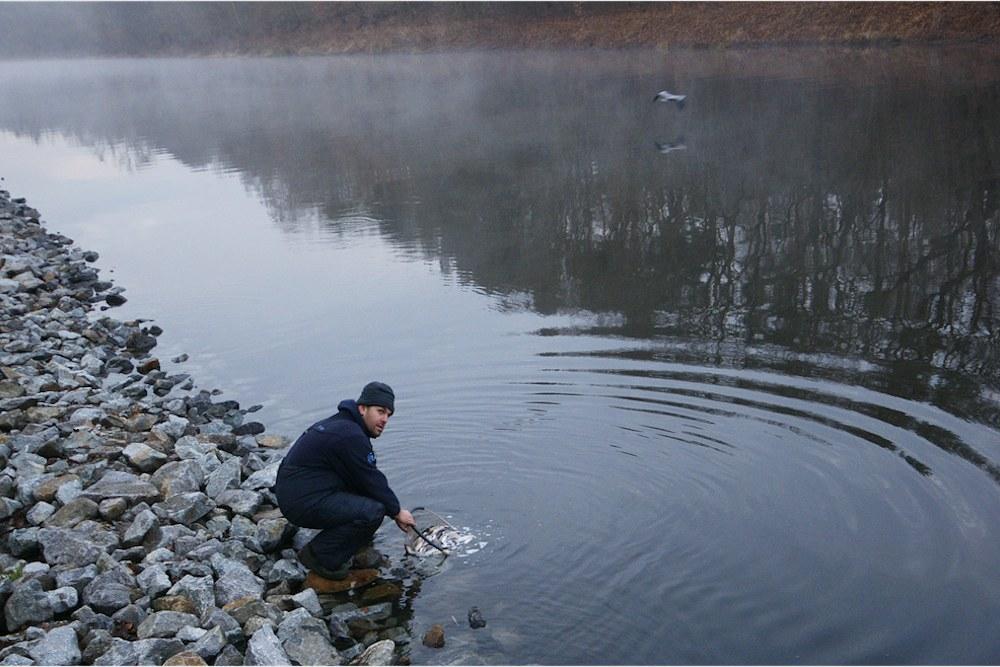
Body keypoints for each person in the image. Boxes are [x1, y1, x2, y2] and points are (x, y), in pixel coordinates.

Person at [275, 381, 415, 579]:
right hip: (300, 502)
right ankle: (319, 556)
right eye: (380, 411)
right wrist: (397, 511)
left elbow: (362, 479)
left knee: (368, 497)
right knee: (373, 511)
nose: (385, 419)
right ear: (362, 408)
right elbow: (371, 479)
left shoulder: (342, 425)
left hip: (297, 492)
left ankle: (354, 542)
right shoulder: (350, 435)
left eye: (388, 415)